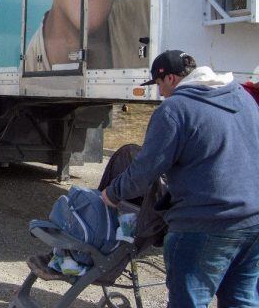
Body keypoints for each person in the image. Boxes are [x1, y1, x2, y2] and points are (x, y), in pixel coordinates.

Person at [101, 50, 259, 307]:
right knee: (241, 299)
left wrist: (112, 193)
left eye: (160, 85)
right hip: (254, 220)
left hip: (206, 223)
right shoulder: (242, 97)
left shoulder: (175, 109)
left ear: (171, 78)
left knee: (189, 300)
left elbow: (145, 169)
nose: (160, 93)